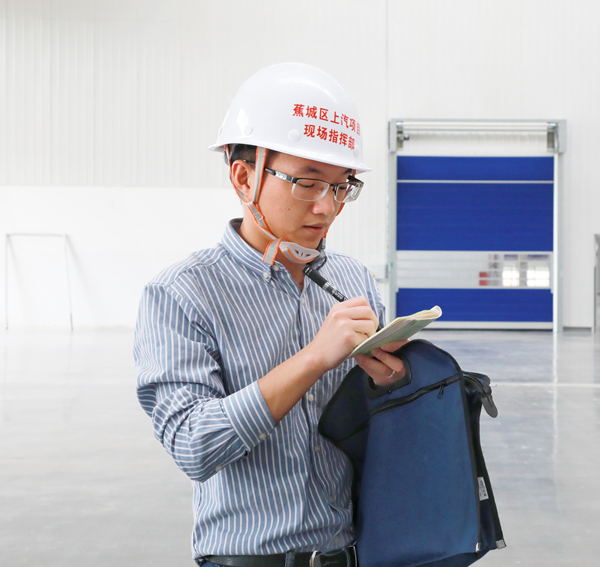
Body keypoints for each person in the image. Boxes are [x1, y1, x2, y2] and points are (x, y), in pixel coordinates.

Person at [134, 62, 407, 567]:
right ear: (244, 177)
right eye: (307, 183)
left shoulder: (353, 280)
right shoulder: (182, 293)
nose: (327, 207)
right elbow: (192, 445)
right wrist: (313, 359)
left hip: (349, 553)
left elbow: (375, 436)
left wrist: (391, 385)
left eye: (342, 186)